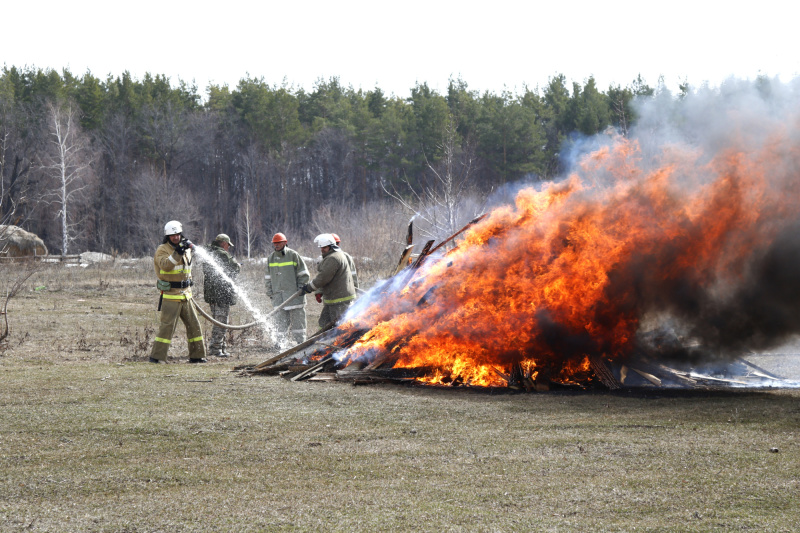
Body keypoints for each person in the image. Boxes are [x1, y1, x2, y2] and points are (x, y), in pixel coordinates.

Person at [150, 220, 206, 363]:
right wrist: (177, 252)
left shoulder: (185, 248)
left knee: (194, 325)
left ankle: (197, 356)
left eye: (178, 234)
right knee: (167, 327)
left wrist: (183, 249)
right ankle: (157, 357)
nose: (175, 237)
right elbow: (166, 266)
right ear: (167, 236)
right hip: (171, 294)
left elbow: (187, 268)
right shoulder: (162, 250)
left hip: (186, 294)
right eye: (172, 235)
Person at [301, 233, 356, 328]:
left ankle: (337, 343)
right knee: (323, 323)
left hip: (339, 299)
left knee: (340, 327)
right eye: (321, 247)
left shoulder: (333, 258)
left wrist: (309, 288)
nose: (322, 250)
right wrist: (318, 291)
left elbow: (323, 278)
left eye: (324, 247)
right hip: (333, 298)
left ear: (331, 247)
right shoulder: (336, 255)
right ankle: (320, 342)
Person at [266, 232, 309, 345]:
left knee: (298, 322)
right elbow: (268, 277)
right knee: (280, 322)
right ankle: (280, 344)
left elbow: (303, 274)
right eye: (274, 243)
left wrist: (300, 288)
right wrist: (270, 292)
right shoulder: (271, 258)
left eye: (278, 243)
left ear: (285, 242)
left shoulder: (293, 255)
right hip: (278, 297)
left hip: (294, 296)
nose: (276, 245)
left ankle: (300, 343)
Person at [202, 233, 241, 357]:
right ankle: (215, 349)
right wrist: (238, 265)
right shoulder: (221, 253)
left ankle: (221, 348)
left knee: (222, 321)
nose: (228, 248)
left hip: (213, 294)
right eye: (228, 245)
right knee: (221, 323)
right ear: (224, 243)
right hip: (220, 294)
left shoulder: (209, 252)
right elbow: (234, 267)